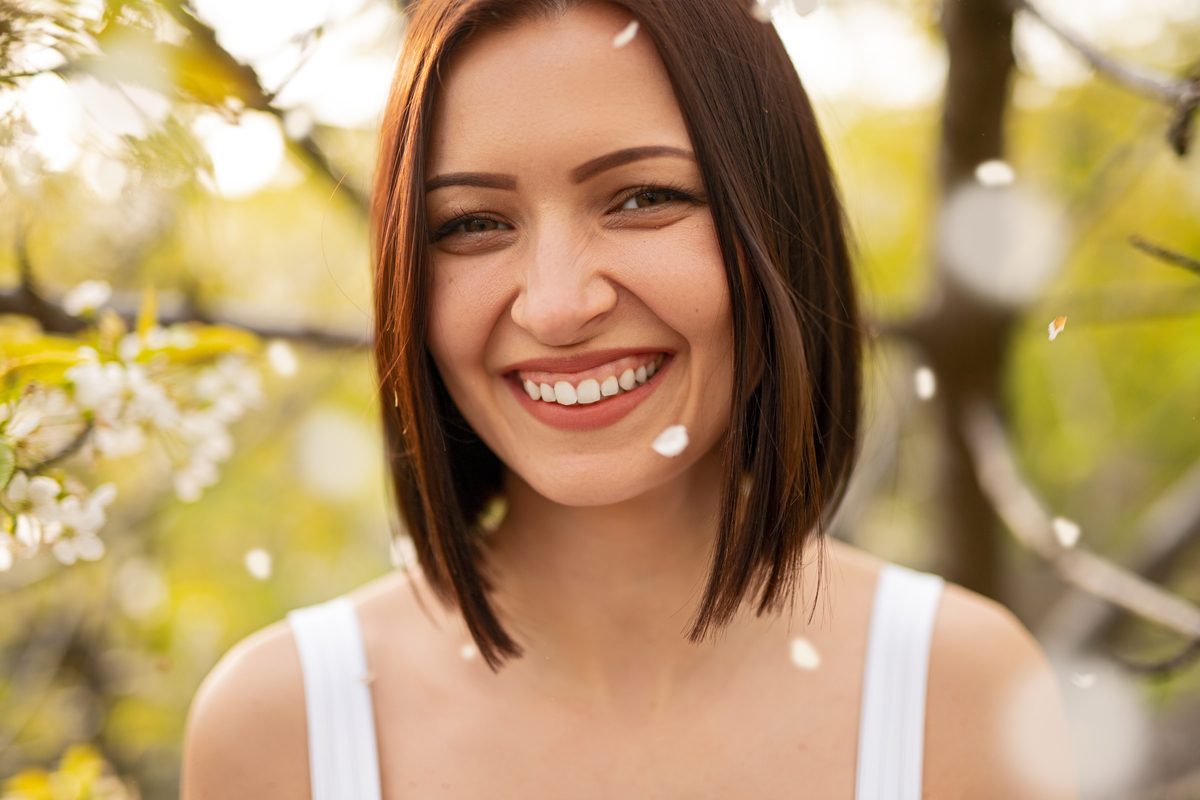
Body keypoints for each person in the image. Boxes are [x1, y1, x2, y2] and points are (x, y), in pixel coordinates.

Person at [181, 1, 1077, 797]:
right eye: (474, 223)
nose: (557, 305)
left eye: (644, 198)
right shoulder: (278, 730)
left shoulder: (962, 693)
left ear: (774, 220)